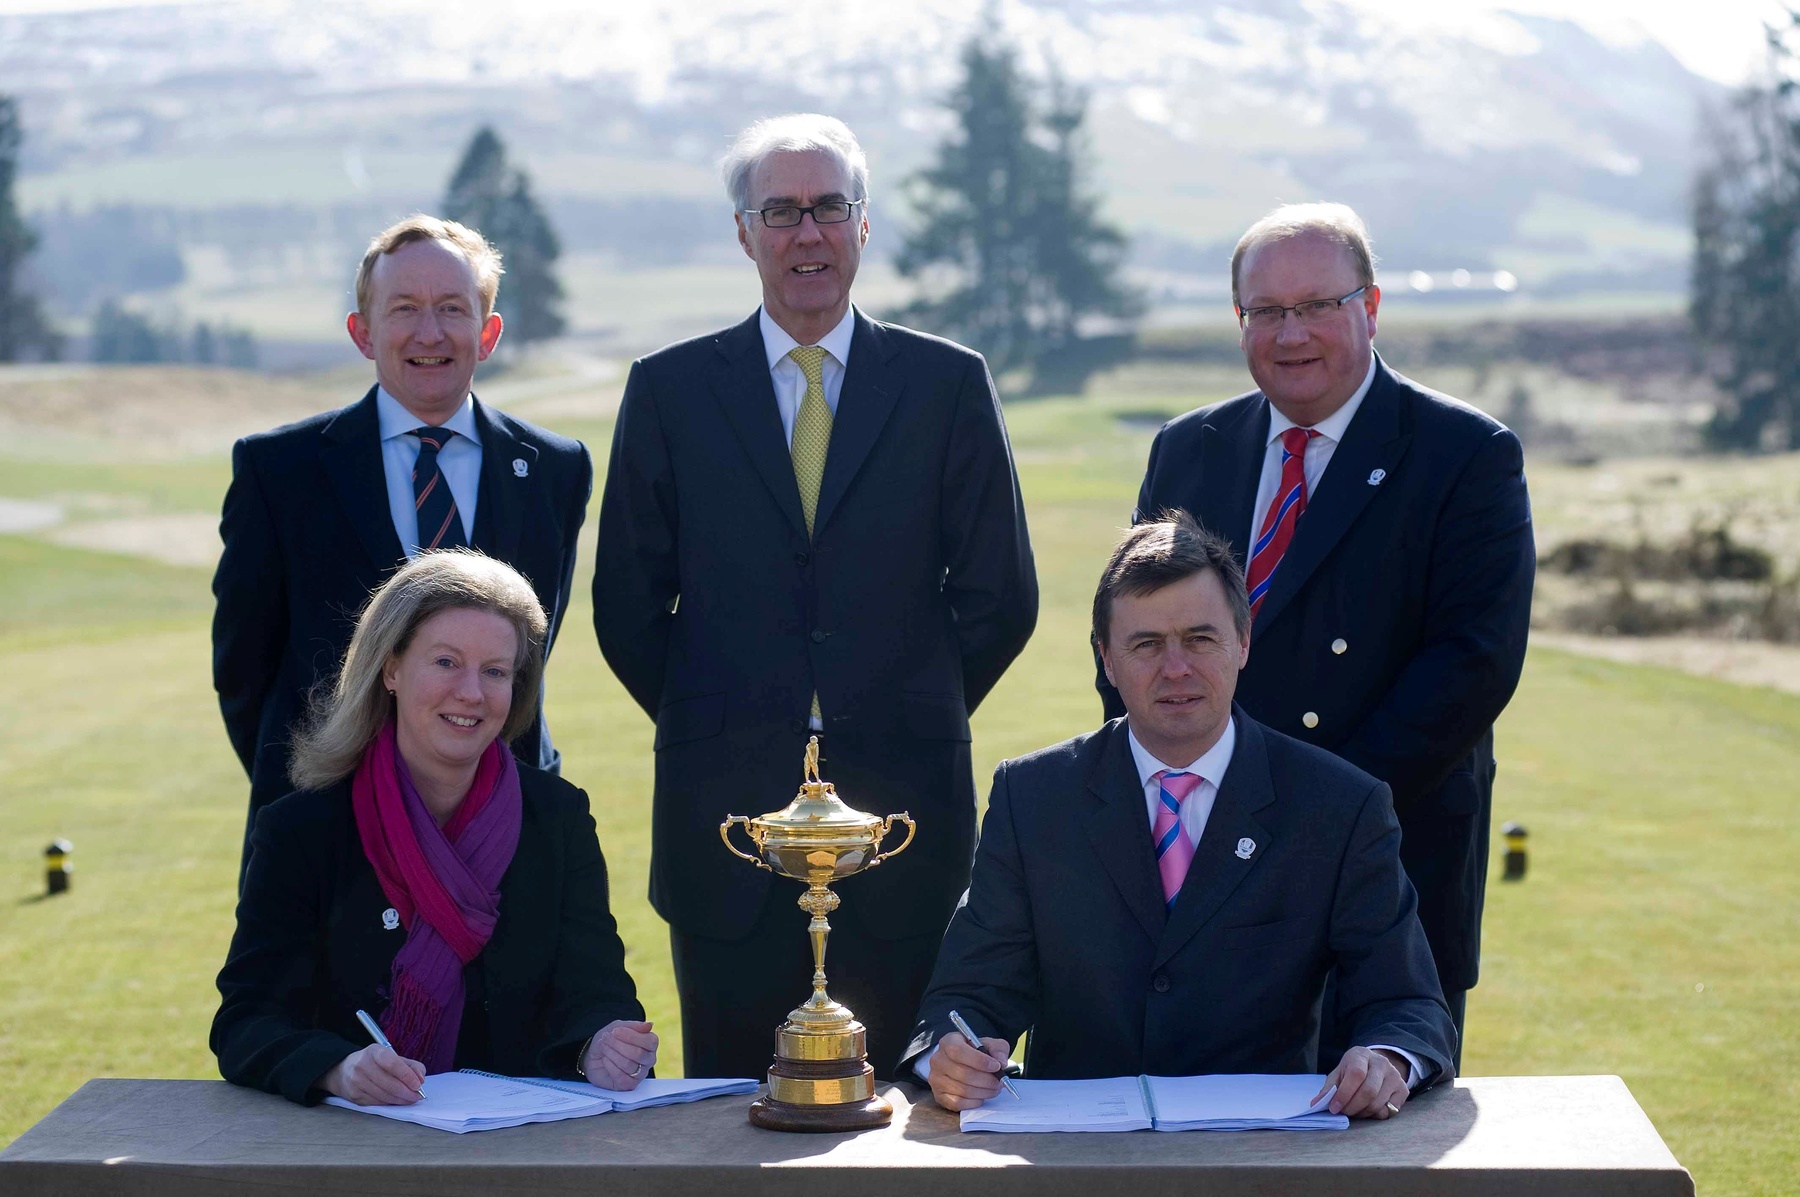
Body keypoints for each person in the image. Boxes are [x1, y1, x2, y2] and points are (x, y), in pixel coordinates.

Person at [593, 113, 1038, 1081]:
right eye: (781, 211)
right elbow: (628, 603)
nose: (808, 234)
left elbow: (1001, 594)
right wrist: (722, 714)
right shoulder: (668, 391)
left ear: (864, 226)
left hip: (903, 828)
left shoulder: (946, 384)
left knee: (917, 1117)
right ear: (743, 232)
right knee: (728, 1119)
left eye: (830, 208)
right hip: (726, 831)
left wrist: (902, 704)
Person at [1107, 204, 1533, 1068]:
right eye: (1266, 311)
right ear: (1239, 323)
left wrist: (1312, 812)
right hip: (1196, 860)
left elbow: (1472, 662)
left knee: (1372, 1133)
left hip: (1387, 855)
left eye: (1316, 305)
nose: (1290, 332)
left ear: (1369, 308)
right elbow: (1132, 630)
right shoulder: (1190, 448)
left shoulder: (1464, 453)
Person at [910, 513, 1456, 1116]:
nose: (1176, 668)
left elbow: (1409, 1004)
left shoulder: (1338, 805)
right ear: (1107, 660)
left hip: (1265, 1164)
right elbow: (968, 992)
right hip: (1074, 1162)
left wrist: (1385, 1059)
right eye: (1146, 644)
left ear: (1243, 644)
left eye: (1201, 638)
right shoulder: (1032, 796)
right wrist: (949, 1055)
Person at [212, 215, 592, 885]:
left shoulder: (556, 469)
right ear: (362, 332)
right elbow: (244, 671)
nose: (429, 332)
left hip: (503, 835)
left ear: (488, 332)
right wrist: (328, 778)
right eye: (405, 309)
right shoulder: (279, 471)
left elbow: (532, 651)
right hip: (326, 841)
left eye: (452, 309)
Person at [212, 551, 655, 1106]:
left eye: (495, 672)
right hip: (350, 1146)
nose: (472, 692)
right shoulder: (302, 828)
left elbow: (595, 991)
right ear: (391, 669)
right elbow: (247, 1020)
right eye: (446, 662)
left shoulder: (558, 817)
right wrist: (337, 1069)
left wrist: (601, 1043)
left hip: (524, 1146)